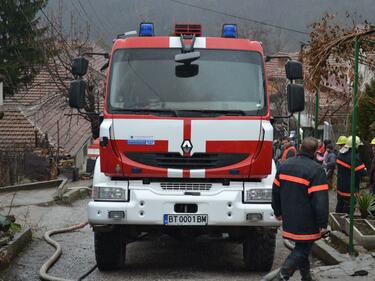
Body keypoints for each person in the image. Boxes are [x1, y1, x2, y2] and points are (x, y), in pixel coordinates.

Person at [272, 137, 329, 281]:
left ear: (300, 148)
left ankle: (306, 277)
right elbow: (320, 201)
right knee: (302, 250)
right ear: (316, 152)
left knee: (302, 246)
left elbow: (275, 191)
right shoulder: (317, 170)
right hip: (306, 220)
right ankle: (282, 275)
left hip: (289, 217)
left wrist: (278, 211)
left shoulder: (284, 166)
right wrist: (323, 224)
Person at [335, 136, 367, 214]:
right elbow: (363, 172)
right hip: (350, 190)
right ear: (355, 146)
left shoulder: (341, 155)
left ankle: (337, 224)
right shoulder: (354, 158)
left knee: (339, 207)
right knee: (348, 211)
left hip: (340, 188)